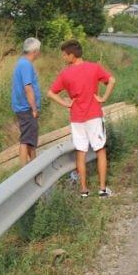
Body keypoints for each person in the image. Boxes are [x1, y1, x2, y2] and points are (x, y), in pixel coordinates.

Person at [47, 40, 116, 198]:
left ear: (72, 55)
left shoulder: (65, 73)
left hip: (77, 118)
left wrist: (65, 103)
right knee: (100, 150)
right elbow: (112, 80)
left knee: (81, 152)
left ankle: (84, 190)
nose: (63, 57)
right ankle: (102, 189)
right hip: (94, 115)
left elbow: (50, 93)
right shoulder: (94, 67)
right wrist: (103, 97)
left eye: (64, 55)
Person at [11, 37, 42, 165]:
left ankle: (33, 165)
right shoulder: (25, 65)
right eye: (39, 50)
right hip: (26, 108)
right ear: (34, 51)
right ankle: (24, 171)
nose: (39, 53)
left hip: (24, 107)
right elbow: (28, 88)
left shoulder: (22, 63)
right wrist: (34, 108)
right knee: (26, 140)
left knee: (31, 139)